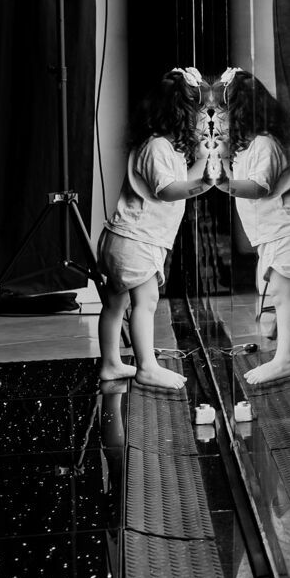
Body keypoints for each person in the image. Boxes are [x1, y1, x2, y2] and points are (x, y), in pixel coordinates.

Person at [94, 68, 213, 389]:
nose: (205, 122)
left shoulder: (161, 147)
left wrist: (203, 158)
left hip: (122, 238)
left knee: (115, 303)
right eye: (201, 115)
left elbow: (178, 179)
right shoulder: (157, 148)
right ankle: (146, 366)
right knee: (145, 302)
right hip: (136, 241)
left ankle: (110, 364)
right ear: (183, 117)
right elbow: (168, 190)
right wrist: (202, 184)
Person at [217, 68, 290, 386]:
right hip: (282, 232)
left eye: (223, 112)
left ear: (239, 112)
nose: (219, 120)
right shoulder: (257, 143)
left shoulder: (265, 144)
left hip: (285, 233)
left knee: (287, 298)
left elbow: (259, 186)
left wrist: (224, 182)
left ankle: (286, 359)